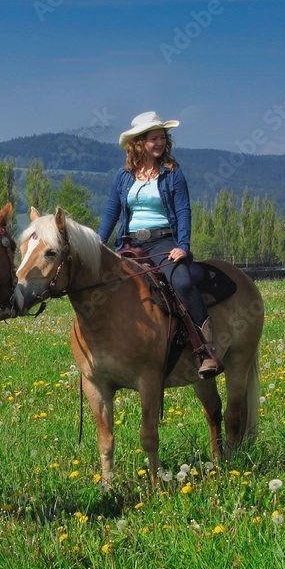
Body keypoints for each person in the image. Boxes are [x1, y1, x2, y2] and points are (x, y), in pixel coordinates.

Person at [97, 110, 223, 379]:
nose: (160, 143)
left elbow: (184, 210)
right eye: (154, 138)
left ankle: (205, 349)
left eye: (162, 138)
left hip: (163, 242)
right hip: (129, 243)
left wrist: (184, 245)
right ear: (139, 143)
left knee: (182, 283)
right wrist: (99, 243)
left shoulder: (172, 174)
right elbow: (111, 212)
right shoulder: (123, 176)